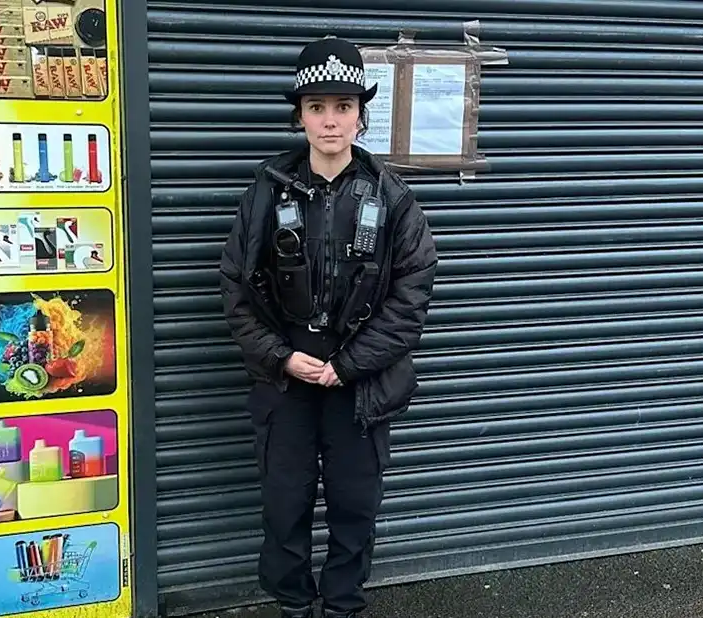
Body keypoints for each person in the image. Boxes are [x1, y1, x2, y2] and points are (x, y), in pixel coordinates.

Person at [219, 35, 438, 618]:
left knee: (353, 507)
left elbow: (411, 297)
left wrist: (348, 365)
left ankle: (341, 608)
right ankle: (293, 606)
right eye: (317, 107)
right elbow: (236, 288)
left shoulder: (392, 198)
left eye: (343, 106)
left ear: (361, 116)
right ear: (300, 116)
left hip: (359, 384)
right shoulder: (265, 192)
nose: (330, 120)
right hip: (286, 377)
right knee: (284, 505)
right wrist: (281, 357)